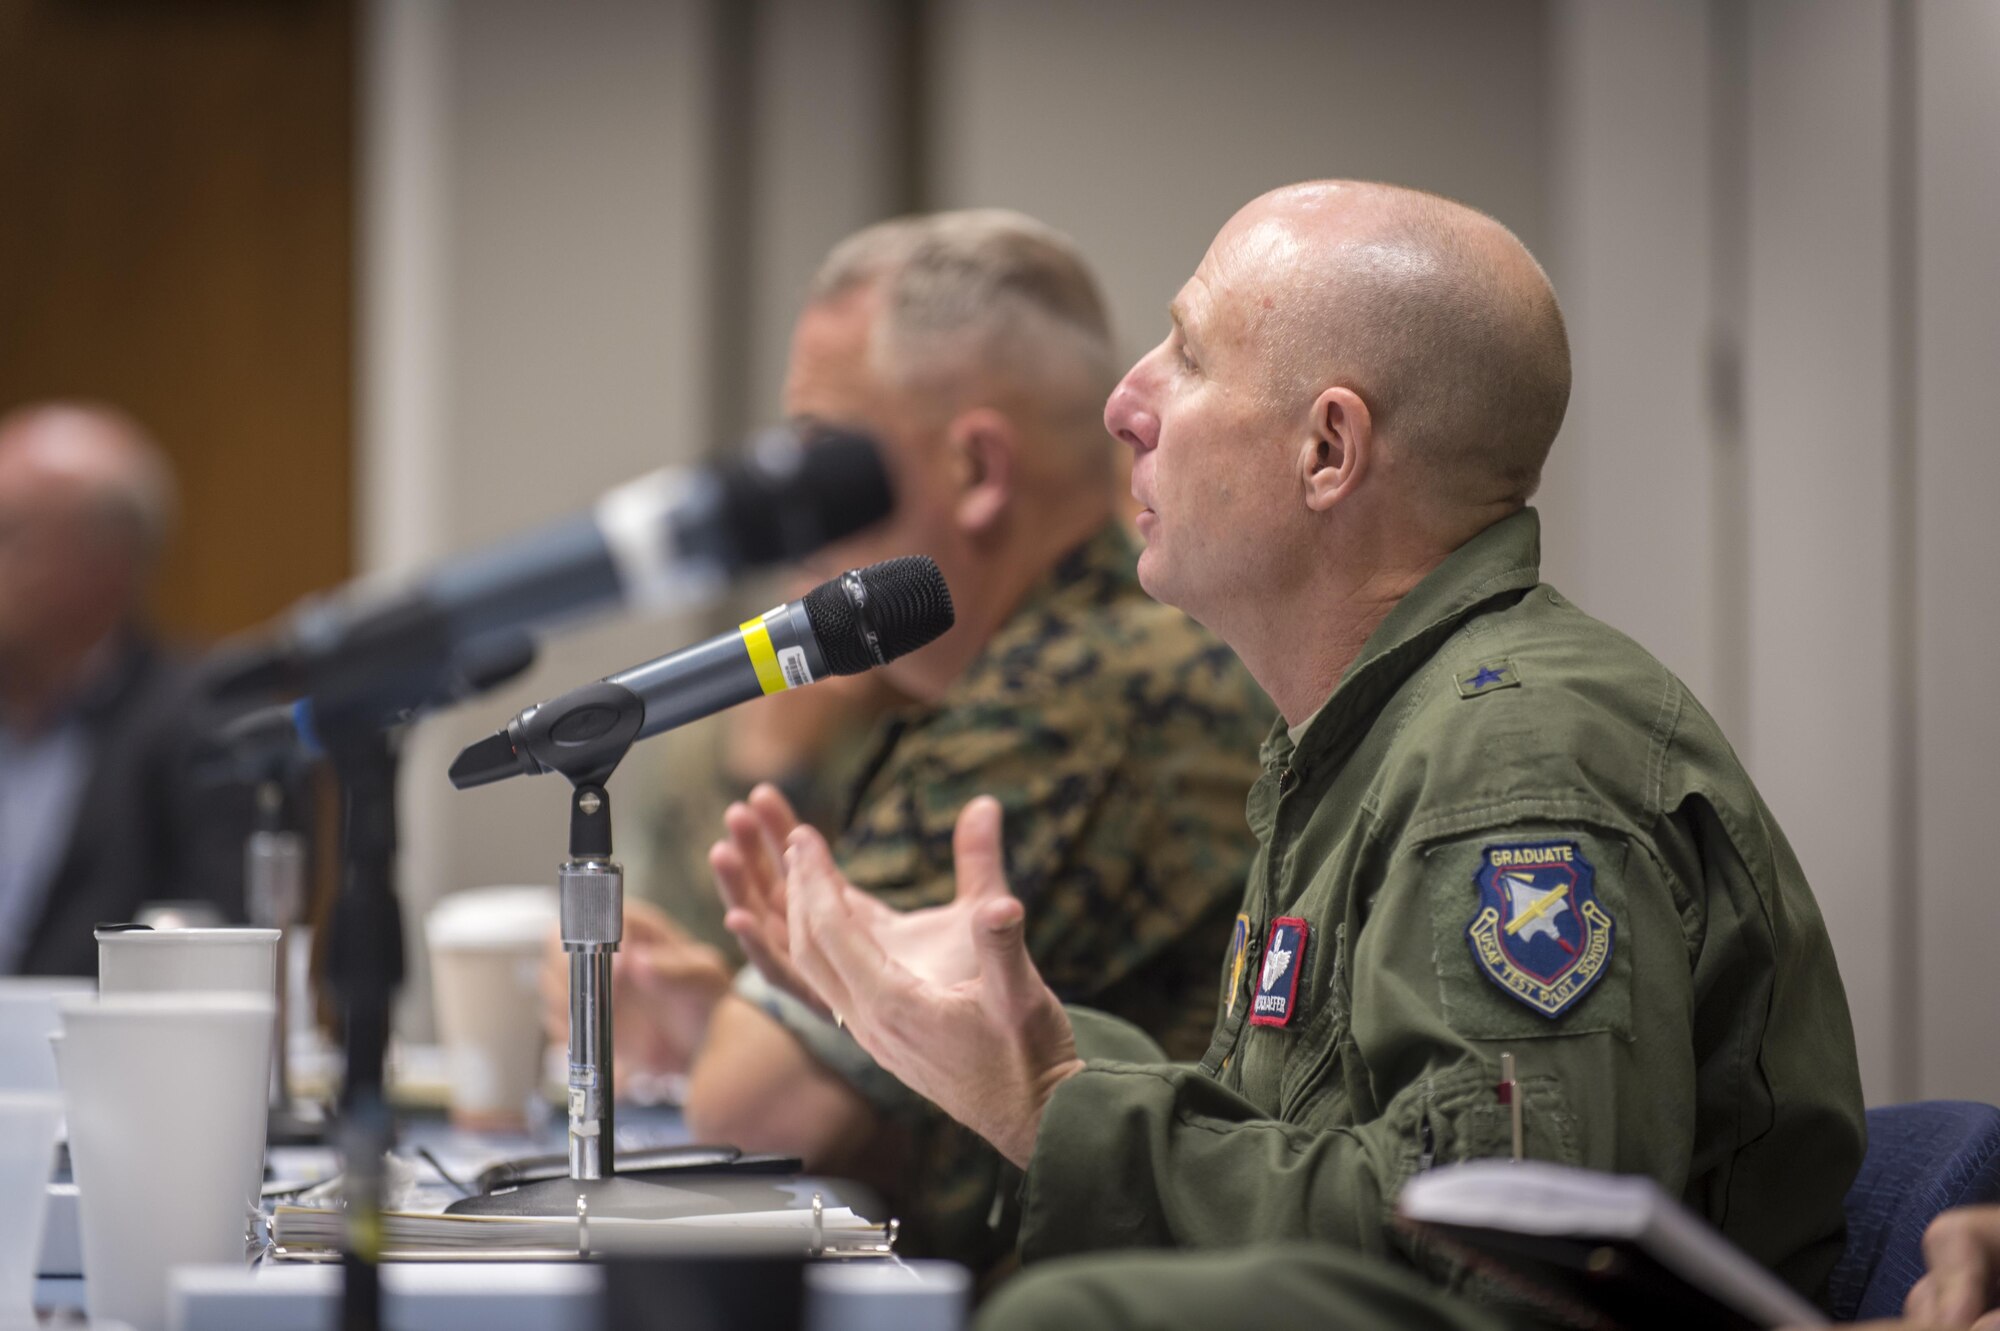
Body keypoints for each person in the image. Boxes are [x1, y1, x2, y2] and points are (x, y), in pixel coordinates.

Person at [722, 181, 1869, 1329]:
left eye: (1185, 353)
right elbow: (1319, 1155)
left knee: (1064, 1316)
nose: (1125, 401)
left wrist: (1053, 1104)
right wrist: (1023, 1045)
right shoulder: (1364, 735)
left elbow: (1501, 1257)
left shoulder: (1507, 760)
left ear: (1327, 448)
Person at [546, 210, 1275, 1273]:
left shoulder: (1071, 701)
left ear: (977, 468)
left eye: (823, 463)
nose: (797, 522)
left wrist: (756, 1042)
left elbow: (764, 1109)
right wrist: (741, 1013)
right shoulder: (1089, 652)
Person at [0, 402, 248, 975]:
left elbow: (218, 950)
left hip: (99, 1056)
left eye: (9, 533)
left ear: (105, 562)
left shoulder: (211, 720)